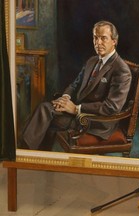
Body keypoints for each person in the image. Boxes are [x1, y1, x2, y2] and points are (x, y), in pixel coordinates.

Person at [19, 20, 132, 150]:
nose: (98, 43)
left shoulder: (121, 70)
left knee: (45, 110)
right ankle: (35, 152)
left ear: (114, 41)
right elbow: (75, 84)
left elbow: (111, 107)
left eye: (103, 38)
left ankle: (24, 151)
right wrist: (65, 97)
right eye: (95, 38)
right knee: (46, 109)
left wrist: (76, 109)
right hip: (77, 112)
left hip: (96, 121)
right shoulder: (92, 61)